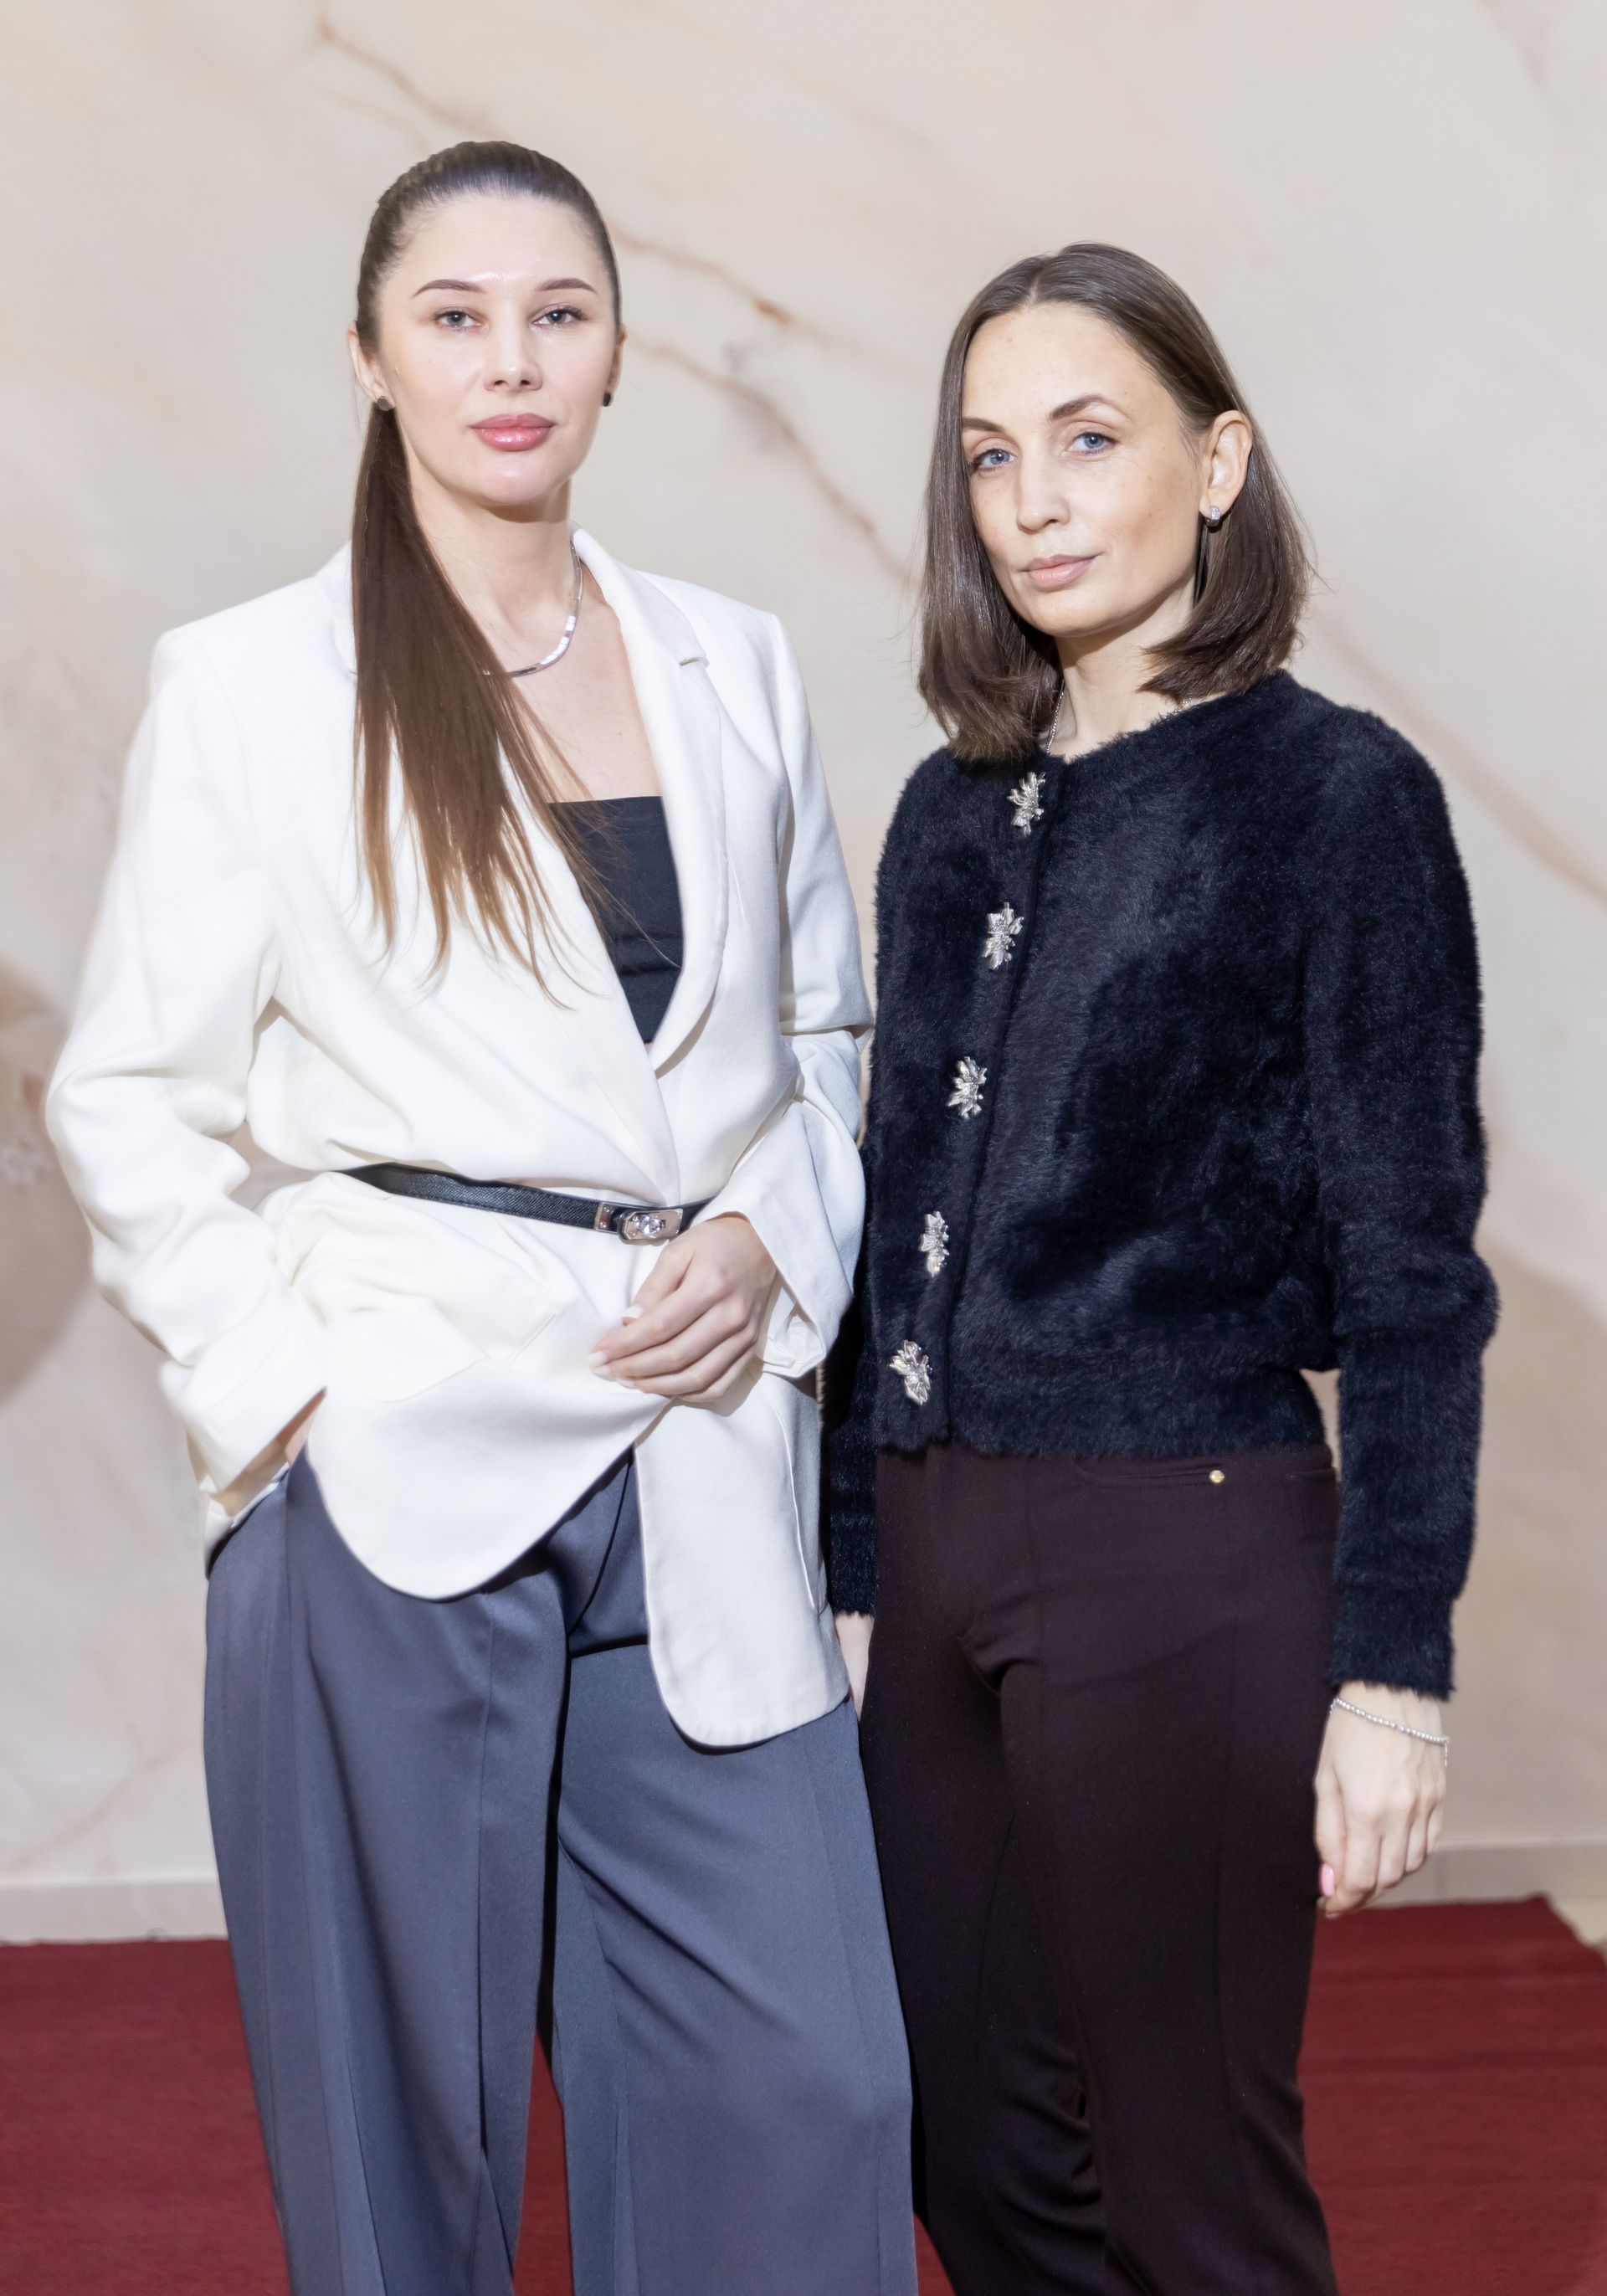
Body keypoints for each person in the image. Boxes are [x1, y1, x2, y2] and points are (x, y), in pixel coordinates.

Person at [49, 141, 916, 2296]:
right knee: (401, 2158)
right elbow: (126, 1091)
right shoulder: (256, 680)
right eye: (454, 316)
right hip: (392, 1458)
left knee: (807, 2087)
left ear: (619, 351)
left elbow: (829, 1034)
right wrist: (287, 1403)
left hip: (701, 1449)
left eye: (557, 313)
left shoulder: (734, 662)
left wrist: (773, 1239)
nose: (509, 360)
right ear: (372, 356)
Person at [824, 243, 1494, 2295]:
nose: (1031, 500)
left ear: (1217, 461)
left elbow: (1415, 1271)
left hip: (1183, 1540)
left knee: (1194, 2170)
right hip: (933, 1544)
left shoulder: (1339, 798)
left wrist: (1395, 1670)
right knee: (960, 2138)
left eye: (1089, 439)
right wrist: (853, 1567)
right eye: (988, 454)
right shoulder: (949, 813)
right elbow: (885, 1208)